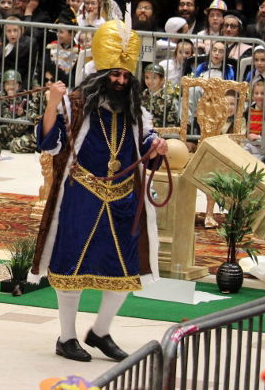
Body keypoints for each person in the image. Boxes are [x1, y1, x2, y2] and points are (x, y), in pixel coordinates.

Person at [33, 19, 167, 362]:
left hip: (124, 196)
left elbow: (145, 143)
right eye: (115, 75)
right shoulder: (76, 104)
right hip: (81, 193)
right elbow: (49, 143)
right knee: (71, 266)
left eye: (125, 76)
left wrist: (157, 147)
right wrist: (52, 102)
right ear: (100, 74)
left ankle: (101, 331)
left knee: (125, 269)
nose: (121, 82)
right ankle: (66, 337)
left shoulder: (136, 110)